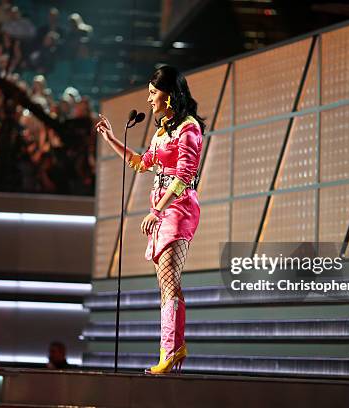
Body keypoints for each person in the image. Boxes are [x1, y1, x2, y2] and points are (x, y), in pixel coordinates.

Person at [96, 65, 205, 374]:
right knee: (167, 284)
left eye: (154, 93)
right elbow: (142, 163)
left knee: (169, 279)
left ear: (169, 96)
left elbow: (185, 175)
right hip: (161, 209)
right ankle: (173, 348)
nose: (149, 99)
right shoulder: (162, 132)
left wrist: (157, 210)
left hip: (178, 208)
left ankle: (169, 350)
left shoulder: (189, 128)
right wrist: (112, 140)